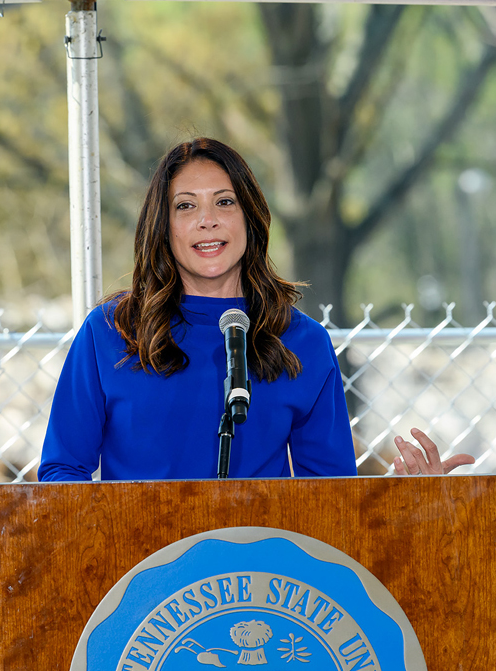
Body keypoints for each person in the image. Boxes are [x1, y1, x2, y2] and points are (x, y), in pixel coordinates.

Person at [37, 138, 357, 481]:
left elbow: (333, 494)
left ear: (250, 217)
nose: (207, 220)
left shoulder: (302, 340)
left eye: (224, 202)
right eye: (186, 206)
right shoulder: (111, 331)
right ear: (163, 225)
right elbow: (63, 470)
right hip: (139, 535)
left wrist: (416, 496)